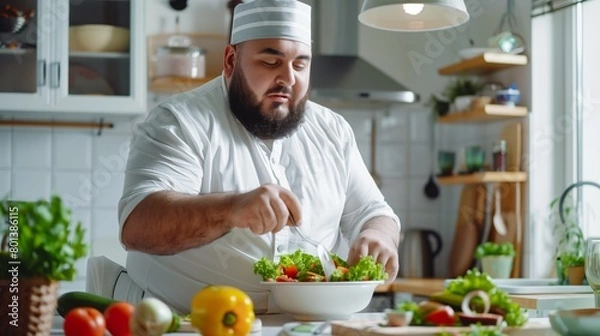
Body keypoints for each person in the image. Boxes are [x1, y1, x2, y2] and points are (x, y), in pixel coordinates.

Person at [117, 0, 400, 314]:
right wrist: (231, 209)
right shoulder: (180, 121)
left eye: (300, 64)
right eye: (270, 61)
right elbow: (139, 226)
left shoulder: (334, 131)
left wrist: (378, 235)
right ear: (230, 60)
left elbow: (374, 211)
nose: (288, 78)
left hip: (307, 326)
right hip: (187, 325)